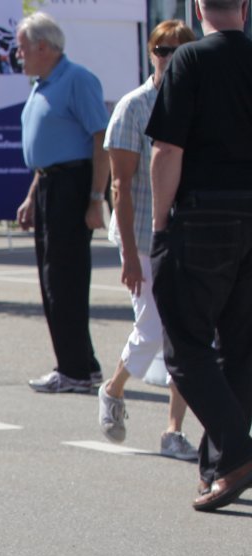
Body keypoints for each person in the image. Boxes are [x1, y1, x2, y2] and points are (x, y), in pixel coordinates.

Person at [147, 0, 252, 510]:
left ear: (196, 8)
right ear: (246, 8)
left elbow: (167, 149)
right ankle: (221, 468)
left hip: (204, 216)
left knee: (185, 347)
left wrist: (159, 224)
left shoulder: (189, 59)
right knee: (240, 348)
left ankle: (237, 451)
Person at [97, 19, 197, 461]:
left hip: (189, 233)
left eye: (179, 50)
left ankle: (173, 430)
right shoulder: (134, 107)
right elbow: (120, 186)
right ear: (151, 54)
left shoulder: (199, 103)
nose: (169, 58)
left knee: (189, 332)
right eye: (162, 50)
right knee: (153, 325)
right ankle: (114, 388)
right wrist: (131, 258)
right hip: (140, 233)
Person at [14, 12, 109, 395]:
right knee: (53, 278)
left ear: (43, 47)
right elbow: (48, 150)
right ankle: (84, 364)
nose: (18, 55)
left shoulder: (77, 79)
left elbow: (100, 138)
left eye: (22, 47)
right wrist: (31, 195)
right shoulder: (42, 84)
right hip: (49, 184)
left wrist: (96, 199)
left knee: (65, 280)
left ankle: (73, 371)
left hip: (72, 186)